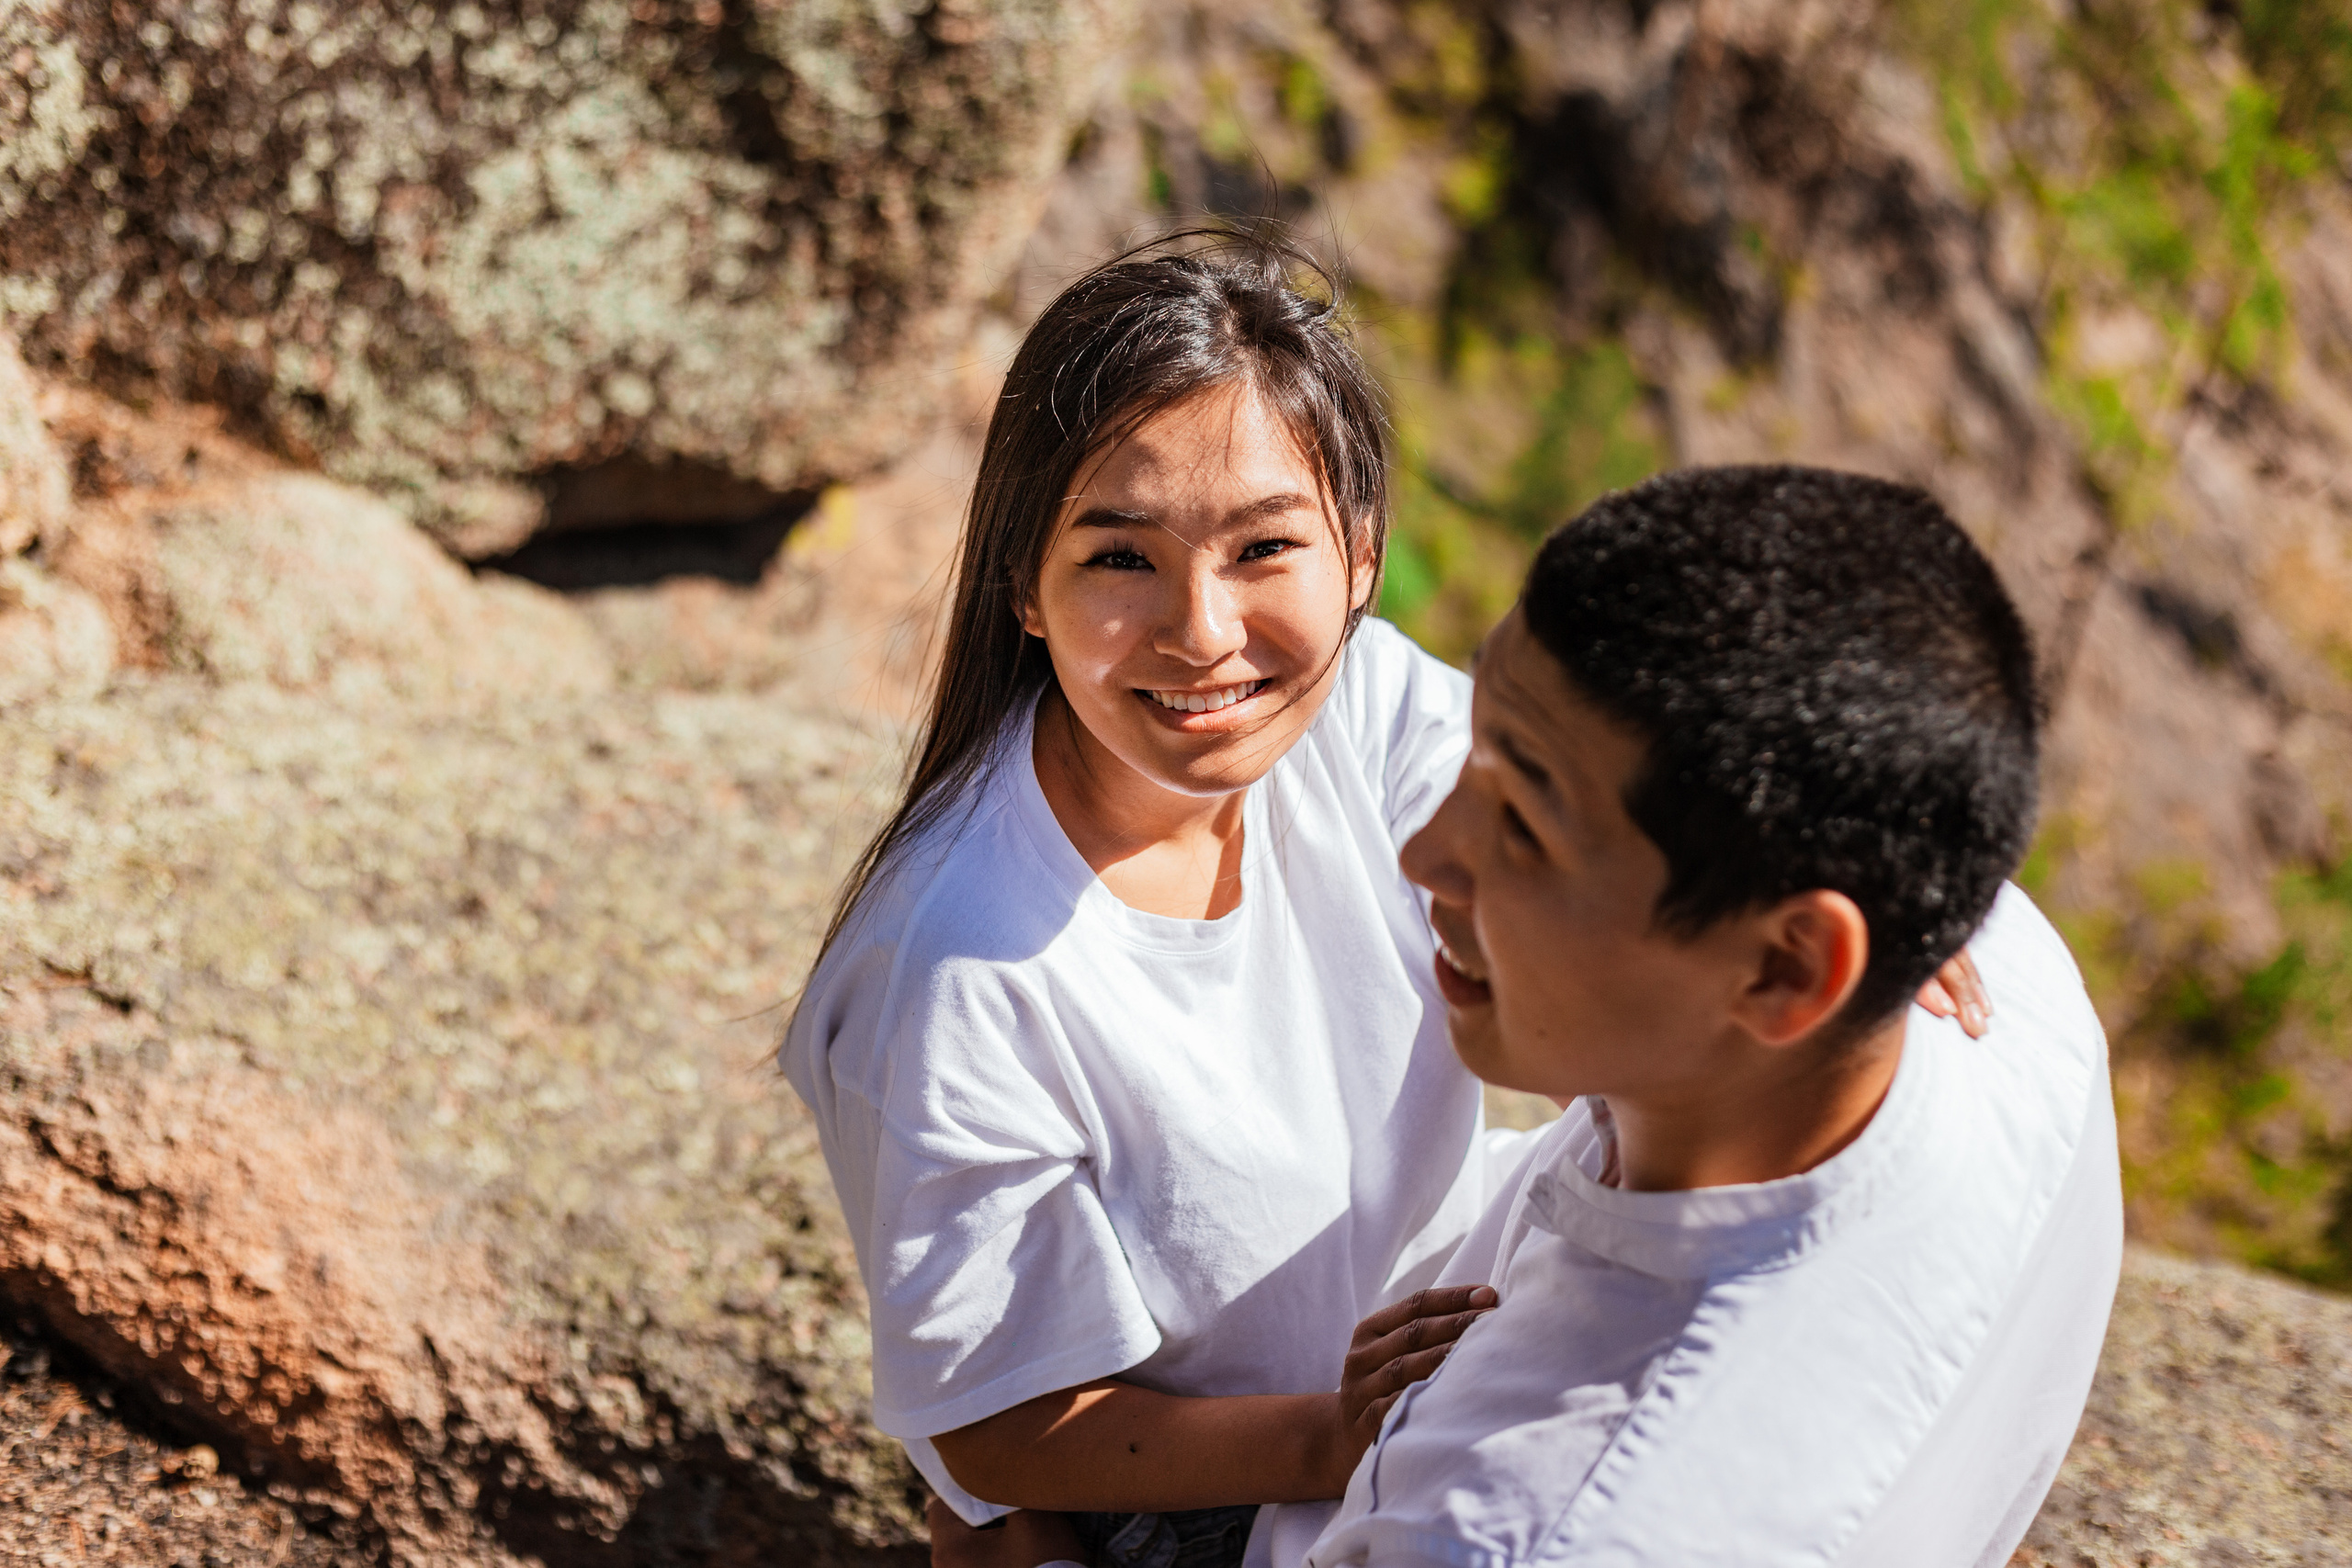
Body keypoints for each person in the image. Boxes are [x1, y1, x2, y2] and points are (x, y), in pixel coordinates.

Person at [784, 235, 1990, 1568]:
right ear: (1025, 584)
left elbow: (1594, 845)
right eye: (1120, 557)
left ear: (1358, 555)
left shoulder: (1359, 702)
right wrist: (1332, 1431)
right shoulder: (956, 970)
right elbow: (998, 1435)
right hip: (1222, 1486)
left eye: (1263, 545)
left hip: (1432, 1338)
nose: (1202, 628)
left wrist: (1827, 909)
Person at [1259, 465, 2122, 1567]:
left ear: (1788, 969)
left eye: (1522, 823)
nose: (1426, 855)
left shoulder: (1518, 1524)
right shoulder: (2005, 980)